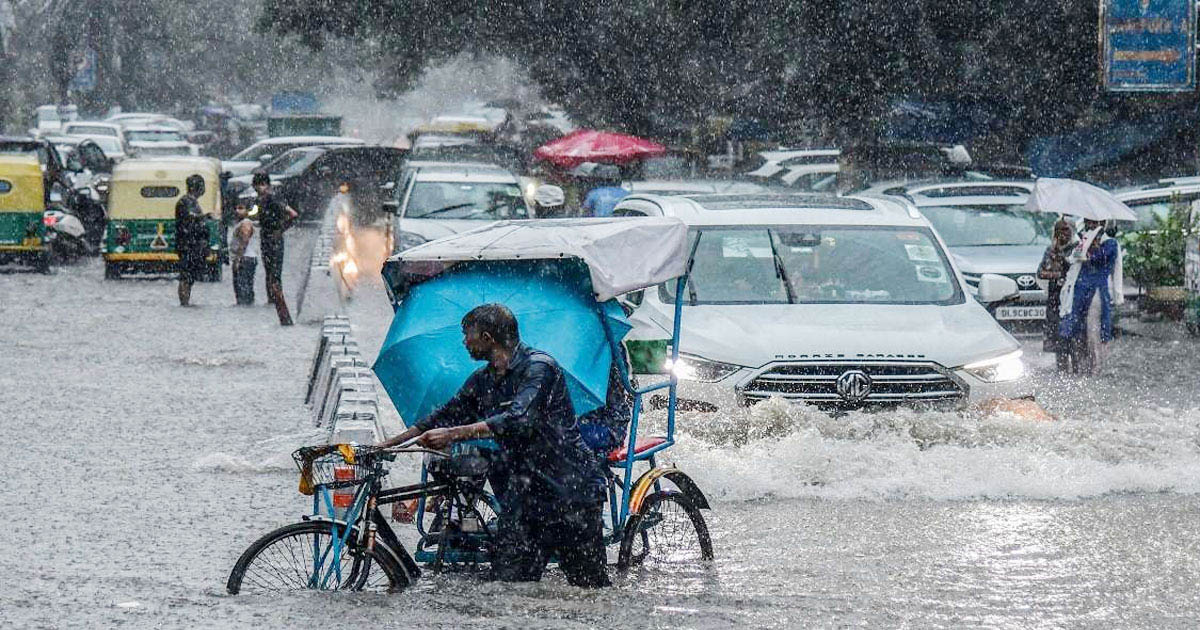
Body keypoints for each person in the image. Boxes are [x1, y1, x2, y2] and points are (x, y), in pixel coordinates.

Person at [377, 304, 610, 588]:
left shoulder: (540, 368)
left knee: (589, 590)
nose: (464, 342)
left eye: (468, 335)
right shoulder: (483, 380)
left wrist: (453, 435)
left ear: (487, 338)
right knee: (508, 589)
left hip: (570, 493)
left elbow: (518, 418)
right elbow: (445, 413)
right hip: (524, 499)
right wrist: (389, 444)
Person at [1058, 218, 1123, 376]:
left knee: (1094, 328)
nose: (1091, 225)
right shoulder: (1081, 239)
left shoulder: (1110, 244)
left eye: (1095, 223)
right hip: (1079, 290)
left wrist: (1117, 294)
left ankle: (1096, 365)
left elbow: (1102, 260)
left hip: (1096, 290)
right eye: (1089, 222)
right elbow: (1070, 258)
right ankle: (1080, 364)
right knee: (1077, 327)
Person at [252, 172, 297, 325]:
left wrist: (279, 230)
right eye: (257, 186)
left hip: (274, 240)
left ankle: (281, 309)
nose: (259, 189)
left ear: (267, 185)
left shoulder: (273, 198)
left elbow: (292, 214)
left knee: (274, 275)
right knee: (269, 273)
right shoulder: (261, 200)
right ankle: (273, 303)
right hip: (266, 239)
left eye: (261, 185)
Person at [1037, 217, 1076, 371]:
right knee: (1056, 332)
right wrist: (1057, 274)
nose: (1063, 234)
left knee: (1071, 334)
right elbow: (1041, 272)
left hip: (1071, 296)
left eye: (1066, 230)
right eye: (1059, 230)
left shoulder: (1076, 249)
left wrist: (1062, 266)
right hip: (1055, 297)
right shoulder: (1050, 250)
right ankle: (1062, 369)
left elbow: (1074, 268)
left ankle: (1077, 368)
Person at [174, 174, 211, 306]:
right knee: (186, 276)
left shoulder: (192, 202)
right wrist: (203, 218)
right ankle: (184, 303)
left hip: (193, 245)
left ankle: (186, 301)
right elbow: (190, 219)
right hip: (187, 245)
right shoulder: (185, 202)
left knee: (189, 277)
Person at [229, 203, 259, 306]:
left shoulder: (245, 223)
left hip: (245, 259)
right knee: (245, 288)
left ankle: (244, 308)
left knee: (242, 290)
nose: (237, 210)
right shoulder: (242, 223)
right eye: (236, 208)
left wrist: (238, 259)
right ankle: (246, 308)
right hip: (246, 259)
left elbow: (244, 240)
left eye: (241, 208)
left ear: (247, 211)